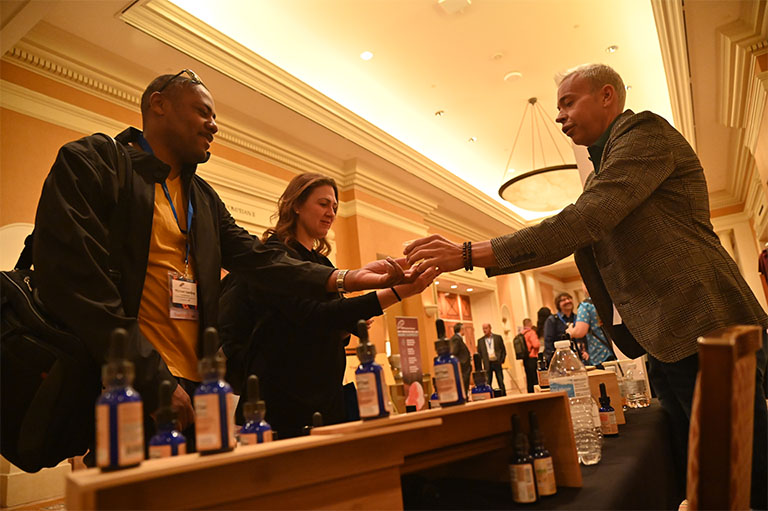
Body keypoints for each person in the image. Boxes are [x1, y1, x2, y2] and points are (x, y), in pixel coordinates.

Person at [404, 63, 767, 507]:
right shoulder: (601, 171)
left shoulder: (644, 134)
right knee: (695, 467)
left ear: (607, 96)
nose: (559, 116)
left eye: (568, 102)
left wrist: (467, 253)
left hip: (705, 322)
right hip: (667, 336)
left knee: (738, 472)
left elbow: (584, 221)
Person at [31, 70, 416, 452]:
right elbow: (75, 282)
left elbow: (258, 258)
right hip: (128, 386)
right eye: (203, 112)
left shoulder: (202, 197)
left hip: (199, 391)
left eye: (214, 116)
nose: (214, 125)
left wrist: (347, 277)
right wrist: (151, 377)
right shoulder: (95, 162)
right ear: (159, 105)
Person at [218, 173, 436, 438]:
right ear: (296, 205)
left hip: (325, 398)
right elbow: (317, 316)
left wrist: (348, 324)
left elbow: (330, 328)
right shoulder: (275, 258)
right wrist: (399, 292)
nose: (331, 213)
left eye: (334, 207)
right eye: (323, 204)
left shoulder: (323, 264)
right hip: (282, 404)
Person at [567, 284, 616, 365]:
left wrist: (570, 331)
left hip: (600, 354)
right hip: (617, 349)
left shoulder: (586, 305)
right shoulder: (609, 300)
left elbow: (580, 332)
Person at [542, 293, 578, 363]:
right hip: (560, 358)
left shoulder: (577, 318)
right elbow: (548, 342)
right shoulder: (552, 320)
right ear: (558, 304)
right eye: (563, 300)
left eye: (569, 298)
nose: (567, 301)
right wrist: (554, 360)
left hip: (578, 356)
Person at [476, 323, 506, 396]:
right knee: (488, 382)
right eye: (483, 329)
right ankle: (490, 396)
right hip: (487, 363)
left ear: (490, 328)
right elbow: (479, 353)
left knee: (500, 381)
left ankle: (504, 395)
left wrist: (501, 360)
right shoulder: (480, 341)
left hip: (497, 362)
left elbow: (503, 350)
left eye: (486, 328)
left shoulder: (498, 338)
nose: (484, 330)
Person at [449, 322, 471, 394]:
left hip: (464, 368)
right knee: (463, 387)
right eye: (463, 329)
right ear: (461, 329)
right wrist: (461, 362)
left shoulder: (458, 338)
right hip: (462, 368)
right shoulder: (456, 339)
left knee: (465, 387)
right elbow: (453, 352)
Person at [520, 318, 539, 392]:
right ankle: (537, 394)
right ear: (530, 323)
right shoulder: (531, 332)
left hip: (525, 358)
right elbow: (536, 345)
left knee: (529, 378)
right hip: (532, 357)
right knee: (535, 378)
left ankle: (530, 393)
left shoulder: (522, 333)